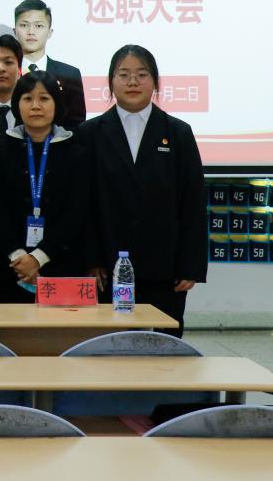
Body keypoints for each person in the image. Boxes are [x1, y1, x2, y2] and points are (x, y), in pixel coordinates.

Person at [78, 45, 206, 337]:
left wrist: (190, 266)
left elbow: (193, 203)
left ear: (155, 82)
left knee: (164, 343)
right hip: (107, 265)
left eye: (141, 74)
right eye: (123, 74)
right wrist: (91, 260)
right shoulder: (90, 133)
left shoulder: (178, 132)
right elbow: (84, 205)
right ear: (111, 82)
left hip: (165, 265)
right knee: (110, 343)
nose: (133, 82)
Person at [0, 70, 91, 303]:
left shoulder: (77, 152)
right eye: (27, 98)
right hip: (12, 266)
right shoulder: (1, 149)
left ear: (57, 104)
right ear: (17, 104)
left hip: (62, 263)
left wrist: (39, 257)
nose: (35, 106)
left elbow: (76, 212)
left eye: (44, 98)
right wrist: (19, 256)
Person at [13, 0, 87, 129]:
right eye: (24, 25)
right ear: (14, 32)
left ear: (49, 32)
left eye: (38, 26)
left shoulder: (69, 74)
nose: (31, 32)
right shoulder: (5, 73)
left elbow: (77, 125)